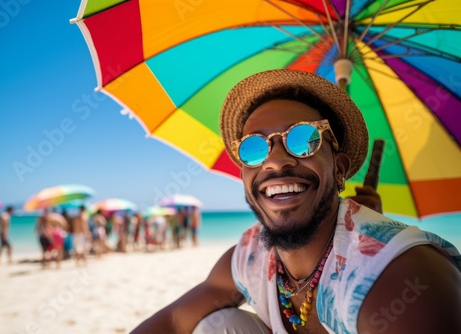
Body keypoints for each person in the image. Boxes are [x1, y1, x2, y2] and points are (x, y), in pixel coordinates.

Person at [132, 69, 461, 334]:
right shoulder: (251, 257)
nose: (274, 162)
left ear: (340, 168)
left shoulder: (401, 277)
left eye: (304, 139)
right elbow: (175, 321)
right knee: (219, 326)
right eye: (253, 148)